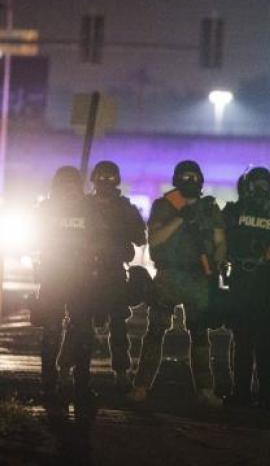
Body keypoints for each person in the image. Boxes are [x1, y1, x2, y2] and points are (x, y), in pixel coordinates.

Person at [129, 160, 227, 407]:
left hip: (198, 277)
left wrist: (215, 264)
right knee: (155, 332)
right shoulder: (164, 206)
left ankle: (205, 390)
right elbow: (156, 239)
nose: (189, 182)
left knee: (200, 335)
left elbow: (220, 242)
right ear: (176, 180)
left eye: (193, 177)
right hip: (169, 276)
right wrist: (181, 218)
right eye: (185, 177)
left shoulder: (209, 208)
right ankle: (141, 387)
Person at [58, 161, 146, 392]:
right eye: (101, 177)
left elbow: (140, 237)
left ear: (116, 180)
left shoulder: (124, 208)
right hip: (84, 273)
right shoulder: (82, 206)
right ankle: (69, 372)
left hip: (113, 272)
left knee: (118, 326)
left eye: (110, 178)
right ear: (94, 179)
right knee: (78, 324)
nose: (105, 182)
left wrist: (120, 232)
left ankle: (121, 373)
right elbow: (67, 233)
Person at [223, 167, 270, 407]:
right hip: (241, 279)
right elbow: (222, 241)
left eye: (265, 183)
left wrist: (265, 255)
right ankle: (240, 392)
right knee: (241, 340)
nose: (261, 188)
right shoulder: (233, 210)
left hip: (267, 282)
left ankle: (266, 394)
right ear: (248, 185)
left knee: (264, 342)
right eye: (256, 183)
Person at [32, 167, 96, 408]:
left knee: (82, 333)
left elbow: (102, 239)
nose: (69, 189)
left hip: (82, 279)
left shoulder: (90, 210)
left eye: (73, 185)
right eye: (64, 185)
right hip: (53, 276)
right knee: (50, 331)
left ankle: (81, 384)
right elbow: (34, 237)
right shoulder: (46, 209)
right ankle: (48, 384)